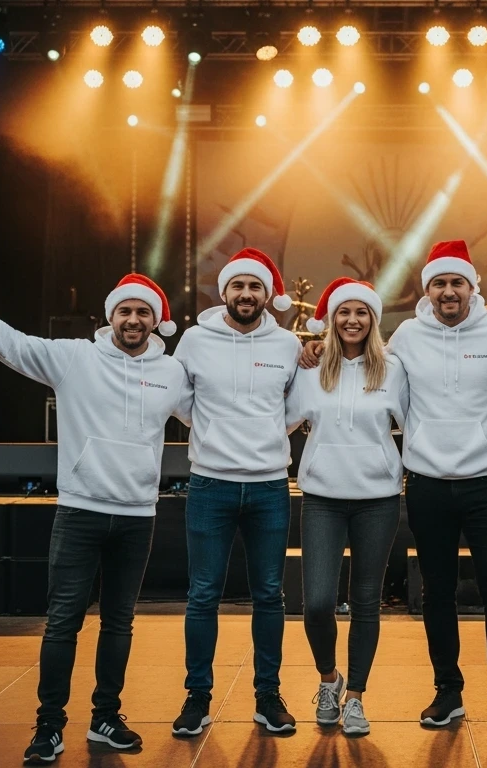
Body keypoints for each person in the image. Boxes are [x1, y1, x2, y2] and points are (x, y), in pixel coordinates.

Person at [0, 268, 192, 765]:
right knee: (63, 624)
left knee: (119, 624)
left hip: (138, 514)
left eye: (144, 312)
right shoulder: (75, 357)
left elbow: (216, 411)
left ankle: (105, 718)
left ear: (157, 321)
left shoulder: (173, 373)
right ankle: (49, 726)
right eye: (125, 311)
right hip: (80, 511)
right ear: (110, 316)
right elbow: (15, 347)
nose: (134, 319)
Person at [304, 240, 487, 744]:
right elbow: (366, 366)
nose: (448, 291)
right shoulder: (406, 335)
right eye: (439, 283)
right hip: (427, 485)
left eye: (457, 283)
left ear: (473, 287)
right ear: (428, 290)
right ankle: (448, 691)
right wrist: (315, 346)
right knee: (437, 594)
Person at [171, 247, 302, 738]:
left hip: (269, 485)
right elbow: (182, 403)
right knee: (202, 594)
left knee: (270, 594)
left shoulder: (287, 345)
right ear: (224, 291)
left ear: (269, 295)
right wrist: (217, 434)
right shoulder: (194, 341)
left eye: (256, 287)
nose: (246, 294)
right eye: (238, 286)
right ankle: (197, 697)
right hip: (210, 485)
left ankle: (268, 696)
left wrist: (265, 436)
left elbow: (295, 406)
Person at [285, 277, 408, 736]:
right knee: (317, 603)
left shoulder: (393, 370)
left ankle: (355, 695)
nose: (352, 320)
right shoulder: (311, 371)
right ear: (332, 319)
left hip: (377, 500)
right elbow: (281, 420)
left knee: (365, 602)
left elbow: (417, 423)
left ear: (373, 320)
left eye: (361, 313)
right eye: (344, 312)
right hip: (322, 499)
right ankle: (328, 680)